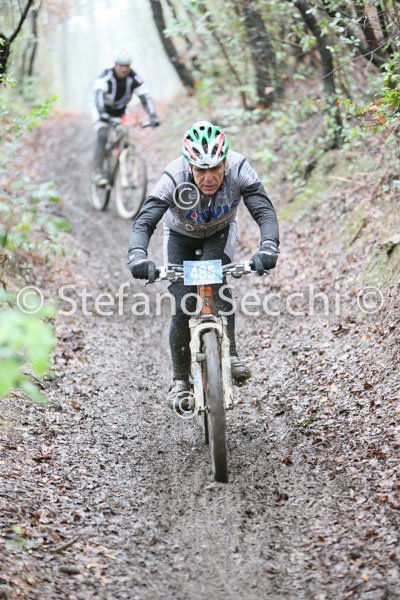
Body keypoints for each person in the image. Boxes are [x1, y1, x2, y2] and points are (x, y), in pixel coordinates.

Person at [126, 120, 279, 410]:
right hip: (179, 237)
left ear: (225, 163)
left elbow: (264, 212)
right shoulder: (173, 176)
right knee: (183, 302)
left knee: (216, 280)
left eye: (215, 169)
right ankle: (180, 380)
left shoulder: (240, 169)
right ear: (189, 166)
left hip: (219, 234)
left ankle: (231, 353)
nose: (208, 178)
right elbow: (145, 221)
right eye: (200, 170)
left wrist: (269, 246)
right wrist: (137, 255)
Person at [92, 49, 160, 185]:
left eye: (127, 66)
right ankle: (98, 172)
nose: (124, 69)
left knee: (124, 132)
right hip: (101, 110)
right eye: (121, 65)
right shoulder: (106, 76)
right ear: (115, 65)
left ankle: (121, 160)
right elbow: (98, 96)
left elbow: (145, 97)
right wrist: (102, 114)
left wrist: (153, 115)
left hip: (120, 111)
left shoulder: (134, 78)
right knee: (103, 134)